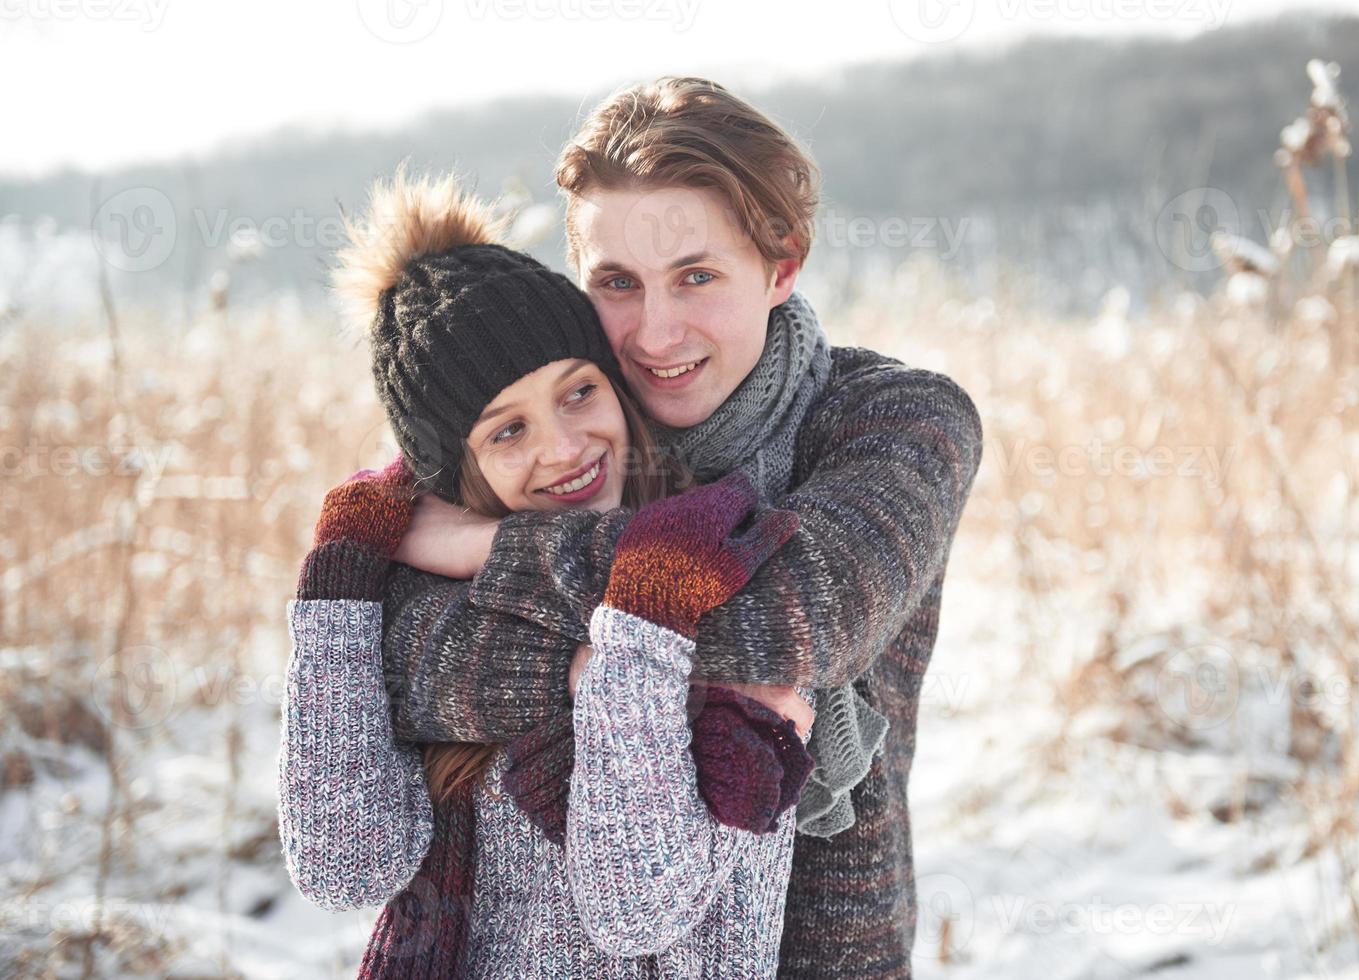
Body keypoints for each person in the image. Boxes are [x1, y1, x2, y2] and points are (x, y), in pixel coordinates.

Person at [369, 77, 986, 978]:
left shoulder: (896, 421)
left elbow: (790, 620)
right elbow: (392, 658)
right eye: (618, 284)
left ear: (782, 263)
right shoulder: (559, 431)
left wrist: (490, 552)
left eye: (696, 276)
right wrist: (606, 661)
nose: (656, 334)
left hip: (809, 952)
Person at [277, 168, 818, 977]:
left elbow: (636, 904)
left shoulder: (717, 565)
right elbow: (343, 864)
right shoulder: (426, 611)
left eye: (577, 393)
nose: (562, 448)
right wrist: (340, 583)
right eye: (506, 432)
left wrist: (630, 637)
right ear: (454, 469)